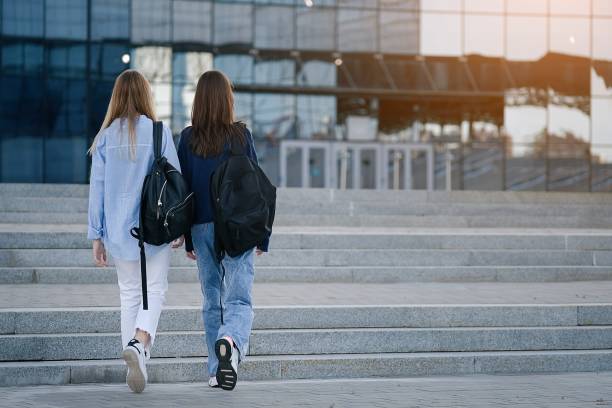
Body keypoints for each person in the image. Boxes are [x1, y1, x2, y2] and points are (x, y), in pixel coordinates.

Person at [87, 69, 184, 393]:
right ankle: (140, 344)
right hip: (153, 229)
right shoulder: (158, 132)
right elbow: (175, 181)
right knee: (154, 290)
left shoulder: (104, 138)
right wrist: (179, 227)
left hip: (117, 230)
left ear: (117, 97)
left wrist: (96, 235)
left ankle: (136, 354)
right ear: (145, 95)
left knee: (129, 295)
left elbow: (96, 189)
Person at [177, 70, 269, 391]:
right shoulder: (241, 136)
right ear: (227, 99)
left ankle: (217, 371)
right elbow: (256, 188)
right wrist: (262, 236)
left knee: (211, 298)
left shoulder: (188, 139)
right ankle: (230, 341)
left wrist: (188, 237)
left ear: (199, 100)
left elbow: (184, 191)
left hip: (202, 227)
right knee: (239, 300)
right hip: (238, 227)